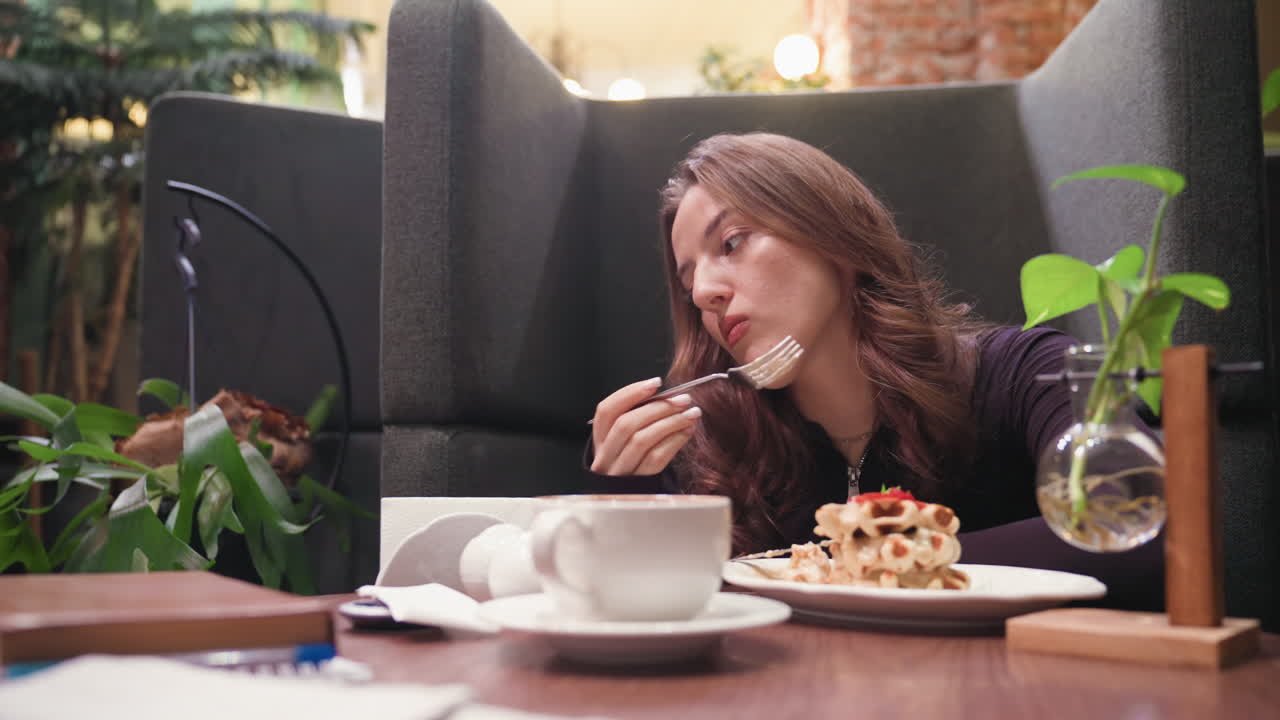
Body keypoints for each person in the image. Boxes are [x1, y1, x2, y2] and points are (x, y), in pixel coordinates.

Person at [585, 132, 1163, 610]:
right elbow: (643, 608)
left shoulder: (1018, 374)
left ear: (830, 234)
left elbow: (1142, 532)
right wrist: (622, 496)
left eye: (732, 243)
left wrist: (863, 561)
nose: (707, 292)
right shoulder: (713, 449)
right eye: (689, 284)